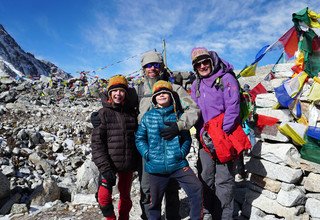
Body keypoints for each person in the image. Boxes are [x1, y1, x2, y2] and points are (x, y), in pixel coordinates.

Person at [137, 50, 201, 220]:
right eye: (148, 65)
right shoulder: (138, 89)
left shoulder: (175, 89)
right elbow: (120, 105)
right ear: (143, 68)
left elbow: (193, 109)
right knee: (147, 189)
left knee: (172, 189)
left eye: (155, 65)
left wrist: (179, 125)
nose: (152, 68)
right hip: (149, 152)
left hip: (172, 150)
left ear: (161, 67)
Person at [190, 47, 251, 220]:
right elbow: (194, 111)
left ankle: (225, 216)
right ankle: (208, 212)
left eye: (205, 62)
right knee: (205, 178)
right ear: (195, 67)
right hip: (205, 140)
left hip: (224, 137)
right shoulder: (196, 85)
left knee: (224, 180)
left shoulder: (226, 78)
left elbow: (233, 108)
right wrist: (202, 134)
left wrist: (219, 134)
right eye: (198, 64)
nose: (203, 66)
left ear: (212, 61)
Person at [90, 75, 140, 220]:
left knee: (125, 197)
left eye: (122, 91)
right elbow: (97, 144)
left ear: (126, 93)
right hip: (109, 164)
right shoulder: (102, 114)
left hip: (127, 163)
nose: (118, 94)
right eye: (115, 91)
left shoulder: (131, 113)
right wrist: (104, 167)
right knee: (103, 197)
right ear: (110, 93)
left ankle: (124, 217)